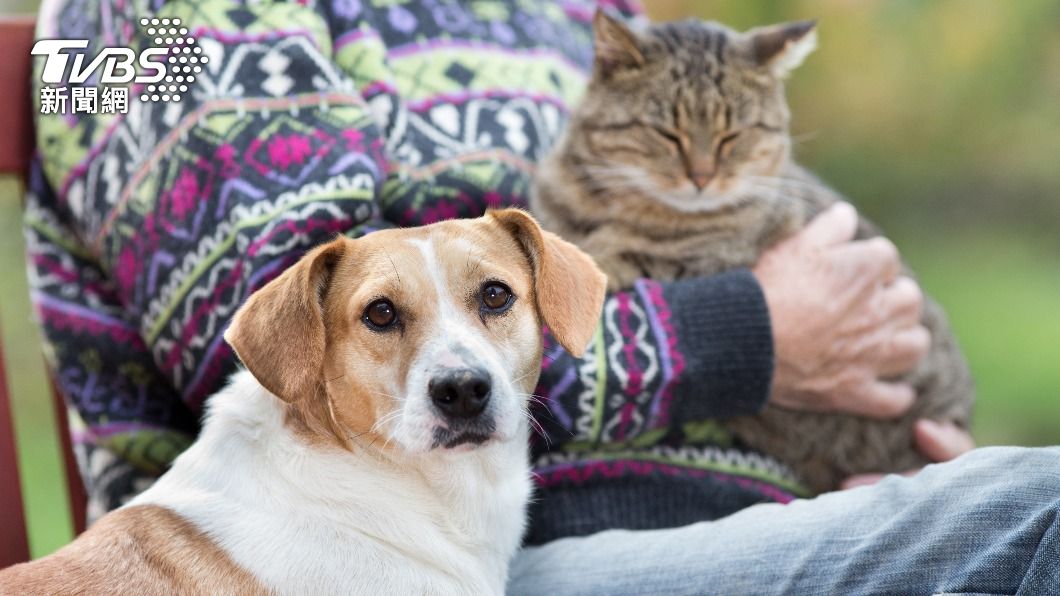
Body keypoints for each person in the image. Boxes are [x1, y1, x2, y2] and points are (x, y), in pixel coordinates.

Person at [26, 0, 1056, 593]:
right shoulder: (134, 24)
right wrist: (754, 330)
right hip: (414, 554)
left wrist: (892, 439)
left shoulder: (568, 15)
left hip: (774, 505)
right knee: (1035, 507)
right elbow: (283, 352)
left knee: (1003, 502)